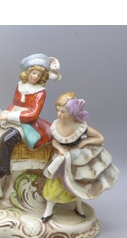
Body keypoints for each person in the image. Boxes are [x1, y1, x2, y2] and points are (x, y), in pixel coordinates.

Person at [41, 92, 119, 222]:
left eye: (63, 112)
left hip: (75, 162)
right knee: (54, 184)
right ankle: (48, 211)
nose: (59, 114)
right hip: (60, 160)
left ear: (72, 112)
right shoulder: (56, 125)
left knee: (77, 185)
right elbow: (54, 141)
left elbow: (100, 138)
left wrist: (85, 142)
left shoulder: (81, 127)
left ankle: (78, 206)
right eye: (57, 110)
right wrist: (60, 148)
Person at [0, 53, 61, 179]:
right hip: (13, 116)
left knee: (7, 139)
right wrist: (6, 112)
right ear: (28, 72)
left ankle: (3, 168)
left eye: (39, 75)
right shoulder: (20, 85)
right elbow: (14, 104)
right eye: (34, 73)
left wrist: (10, 116)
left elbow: (33, 114)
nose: (36, 77)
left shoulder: (40, 91)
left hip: (26, 123)